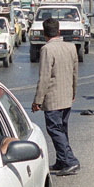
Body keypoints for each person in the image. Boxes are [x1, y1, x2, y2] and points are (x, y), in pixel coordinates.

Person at [32, 17, 80, 176]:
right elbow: (75, 73)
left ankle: (70, 161)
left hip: (53, 98)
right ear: (58, 31)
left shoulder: (47, 49)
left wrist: (37, 101)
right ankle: (61, 160)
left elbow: (44, 77)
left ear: (44, 33)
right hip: (66, 96)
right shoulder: (71, 47)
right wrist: (73, 92)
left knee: (54, 130)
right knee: (62, 130)